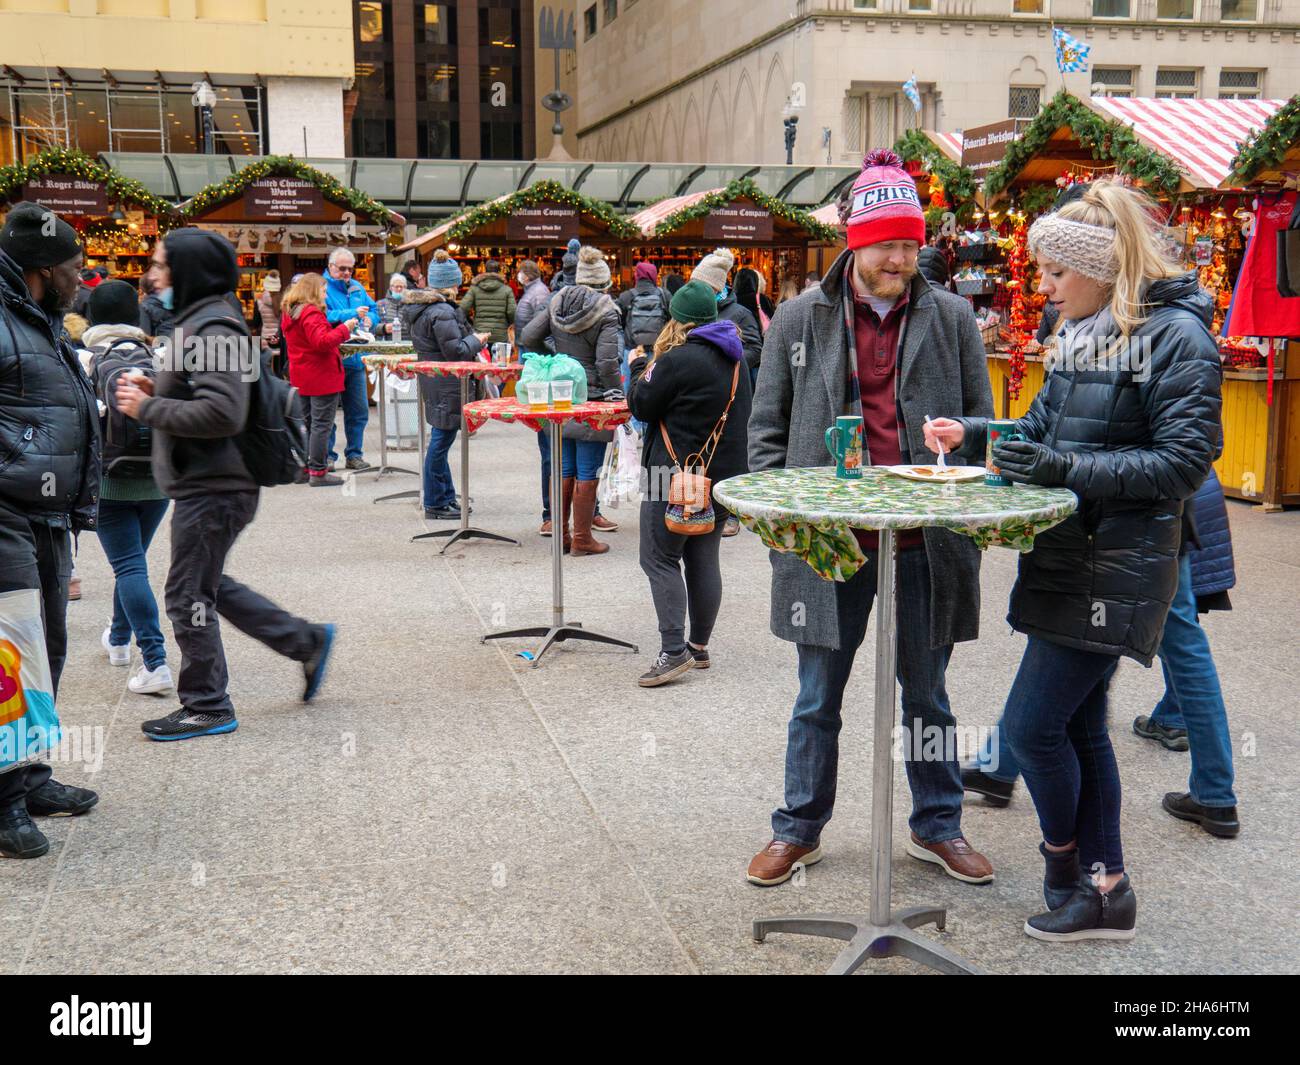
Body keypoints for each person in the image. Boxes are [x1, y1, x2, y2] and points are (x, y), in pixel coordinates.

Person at [926, 178, 1222, 941]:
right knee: (1081, 729)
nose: (1045, 286)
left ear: (1101, 267)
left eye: (1057, 272)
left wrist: (1063, 472)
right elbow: (1044, 429)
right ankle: (1105, 889)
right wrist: (980, 434)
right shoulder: (1084, 332)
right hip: (1069, 558)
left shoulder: (1177, 338)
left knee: (1031, 730)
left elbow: (1183, 463)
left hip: (1115, 567)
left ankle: (1069, 869)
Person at [745, 149, 995, 890]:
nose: (901, 258)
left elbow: (983, 424)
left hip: (926, 539)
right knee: (818, 693)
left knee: (928, 692)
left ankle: (938, 824)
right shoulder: (798, 317)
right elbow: (765, 433)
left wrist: (964, 440)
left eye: (911, 244)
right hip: (829, 541)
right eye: (888, 243)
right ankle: (798, 827)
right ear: (855, 240)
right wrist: (782, 523)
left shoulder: (951, 317)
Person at [114, 227, 338, 741]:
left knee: (188, 591)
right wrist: (160, 387)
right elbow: (204, 391)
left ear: (189, 271)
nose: (154, 275)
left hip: (216, 483)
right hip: (208, 481)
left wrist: (147, 406)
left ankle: (208, 704)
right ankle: (305, 641)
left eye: (163, 265)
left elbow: (222, 412)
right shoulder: (202, 319)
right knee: (205, 584)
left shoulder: (215, 326)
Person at [963, 468, 1241, 841]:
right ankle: (998, 767)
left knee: (1092, 647)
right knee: (1109, 652)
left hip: (1139, 524)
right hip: (1157, 514)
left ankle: (1215, 794)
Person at [0, 202, 102, 859]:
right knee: (9, 659)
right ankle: (4, 800)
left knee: (47, 649)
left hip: (46, 515)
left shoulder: (35, 317)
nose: (81, 276)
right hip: (6, 513)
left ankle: (31, 776)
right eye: (74, 265)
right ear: (43, 270)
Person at [629, 280, 752, 687]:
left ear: (678, 319)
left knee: (659, 559)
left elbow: (641, 404)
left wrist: (637, 366)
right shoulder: (736, 360)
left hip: (672, 477)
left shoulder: (676, 359)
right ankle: (698, 647)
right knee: (704, 559)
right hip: (720, 480)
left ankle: (673, 651)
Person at [83, 280, 173, 696]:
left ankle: (154, 660)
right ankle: (118, 640)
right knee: (133, 561)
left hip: (109, 479)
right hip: (157, 478)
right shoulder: (157, 355)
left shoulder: (84, 358)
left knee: (129, 567)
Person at [520, 245, 622, 556]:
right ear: (604, 281)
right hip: (592, 398)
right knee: (587, 470)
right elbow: (607, 363)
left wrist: (558, 357)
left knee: (563, 467)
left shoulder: (557, 300)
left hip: (560, 394)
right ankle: (582, 538)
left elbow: (528, 336)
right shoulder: (607, 310)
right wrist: (616, 394)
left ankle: (561, 535)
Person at [403, 251, 491, 521]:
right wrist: (477, 339)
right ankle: (435, 502)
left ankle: (445, 497)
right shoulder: (442, 312)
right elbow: (456, 351)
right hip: (448, 384)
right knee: (440, 443)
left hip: (437, 383)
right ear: (451, 284)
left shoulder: (427, 309)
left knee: (441, 440)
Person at [281, 272, 355, 487]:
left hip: (302, 374)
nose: (325, 294)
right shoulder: (311, 312)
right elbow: (322, 342)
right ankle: (318, 471)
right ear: (313, 290)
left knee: (308, 424)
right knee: (321, 425)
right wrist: (344, 329)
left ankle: (305, 468)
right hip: (321, 375)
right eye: (323, 290)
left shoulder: (291, 311)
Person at [322, 247, 376, 471]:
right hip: (331, 359)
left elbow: (373, 309)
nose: (346, 273)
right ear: (330, 267)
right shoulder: (322, 289)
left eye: (349, 269)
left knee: (359, 411)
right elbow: (321, 316)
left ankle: (354, 455)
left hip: (355, 360)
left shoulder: (357, 287)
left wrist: (370, 319)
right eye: (341, 269)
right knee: (327, 413)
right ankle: (327, 457)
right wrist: (351, 315)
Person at [515, 260, 558, 535]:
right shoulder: (549, 297)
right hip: (550, 376)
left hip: (564, 380)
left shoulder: (541, 293)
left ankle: (579, 513)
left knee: (562, 453)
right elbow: (531, 334)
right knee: (550, 451)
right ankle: (551, 514)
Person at [690, 248, 762, 379]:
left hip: (727, 384)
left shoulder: (741, 314)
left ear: (715, 287)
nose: (694, 289)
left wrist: (723, 364)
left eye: (699, 285)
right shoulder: (693, 308)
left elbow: (755, 350)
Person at [459, 259, 517, 347]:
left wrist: (470, 324)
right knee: (499, 360)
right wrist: (507, 323)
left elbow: (462, 309)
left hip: (480, 335)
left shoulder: (475, 288)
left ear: (485, 270)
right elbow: (512, 312)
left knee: (481, 360)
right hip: (500, 335)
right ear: (498, 271)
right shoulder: (507, 290)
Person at [617, 260, 670, 352]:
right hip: (658, 350)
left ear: (636, 275)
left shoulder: (626, 297)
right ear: (654, 276)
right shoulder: (665, 296)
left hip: (632, 351)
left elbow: (618, 325)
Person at [253, 271, 283, 376]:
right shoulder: (284, 301)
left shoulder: (259, 301)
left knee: (266, 369)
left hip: (266, 339)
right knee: (279, 368)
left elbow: (255, 322)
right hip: (280, 340)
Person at [138, 272, 174, 338]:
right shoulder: (174, 300)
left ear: (143, 288)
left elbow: (144, 335)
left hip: (161, 345)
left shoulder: (145, 306)